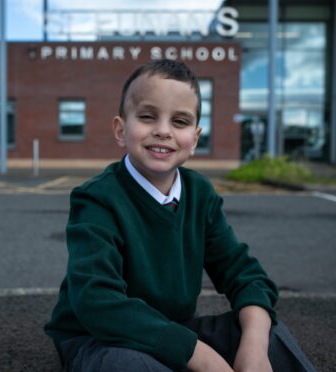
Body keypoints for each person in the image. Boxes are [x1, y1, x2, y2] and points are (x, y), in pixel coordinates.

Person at [45, 59, 316, 372]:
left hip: (173, 330)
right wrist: (203, 358)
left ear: (195, 138)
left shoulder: (200, 193)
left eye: (180, 121)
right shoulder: (97, 199)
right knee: (128, 365)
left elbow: (245, 275)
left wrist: (254, 348)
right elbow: (96, 301)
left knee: (269, 333)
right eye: (147, 117)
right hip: (98, 338)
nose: (163, 131)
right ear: (121, 130)